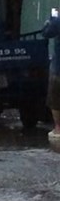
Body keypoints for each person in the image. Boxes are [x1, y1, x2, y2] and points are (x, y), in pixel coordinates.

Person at [43, 13, 60, 142]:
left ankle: (58, 127)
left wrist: (51, 20)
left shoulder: (58, 21)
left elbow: (46, 32)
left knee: (55, 100)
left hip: (58, 69)